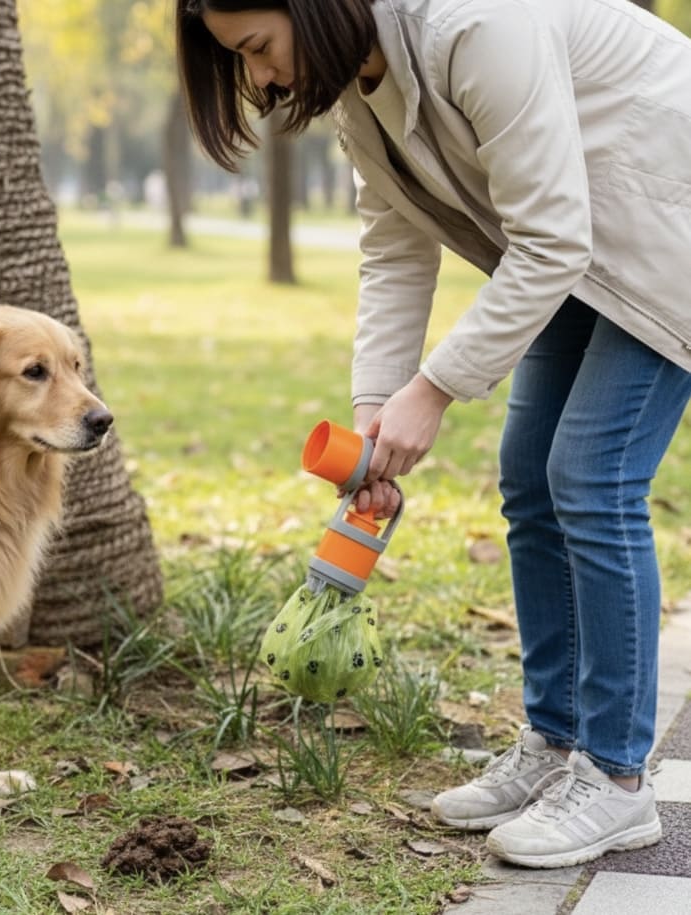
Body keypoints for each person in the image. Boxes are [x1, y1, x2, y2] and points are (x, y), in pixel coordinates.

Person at [176, 0, 691, 869]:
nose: (260, 79)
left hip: (661, 232)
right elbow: (394, 249)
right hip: (576, 249)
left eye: (259, 48)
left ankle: (616, 779)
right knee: (529, 474)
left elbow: (551, 236)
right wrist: (380, 404)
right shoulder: (357, 88)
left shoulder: (475, 24)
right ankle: (555, 739)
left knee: (591, 477)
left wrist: (436, 388)